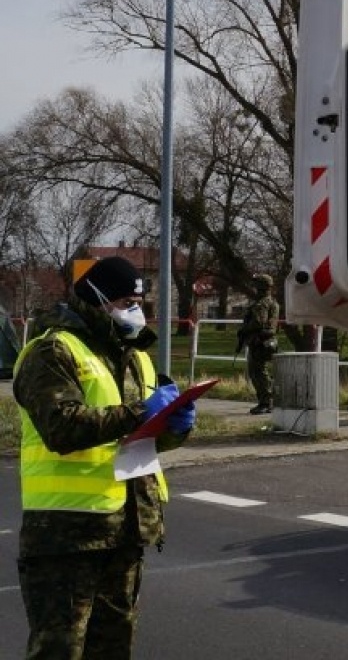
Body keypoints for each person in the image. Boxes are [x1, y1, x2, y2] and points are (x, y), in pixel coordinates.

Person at [12, 254, 197, 660]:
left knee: (113, 647)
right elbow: (62, 428)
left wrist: (175, 425)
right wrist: (139, 412)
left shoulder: (136, 357)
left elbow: (142, 441)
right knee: (58, 650)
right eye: (127, 301)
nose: (136, 311)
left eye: (139, 302)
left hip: (126, 529)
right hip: (67, 534)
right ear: (96, 298)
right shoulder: (53, 351)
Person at [236, 274, 280, 415]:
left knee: (258, 372)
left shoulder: (262, 304)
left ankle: (266, 402)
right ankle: (267, 401)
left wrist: (244, 330)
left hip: (261, 341)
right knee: (260, 371)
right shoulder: (271, 302)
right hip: (266, 341)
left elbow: (259, 322)